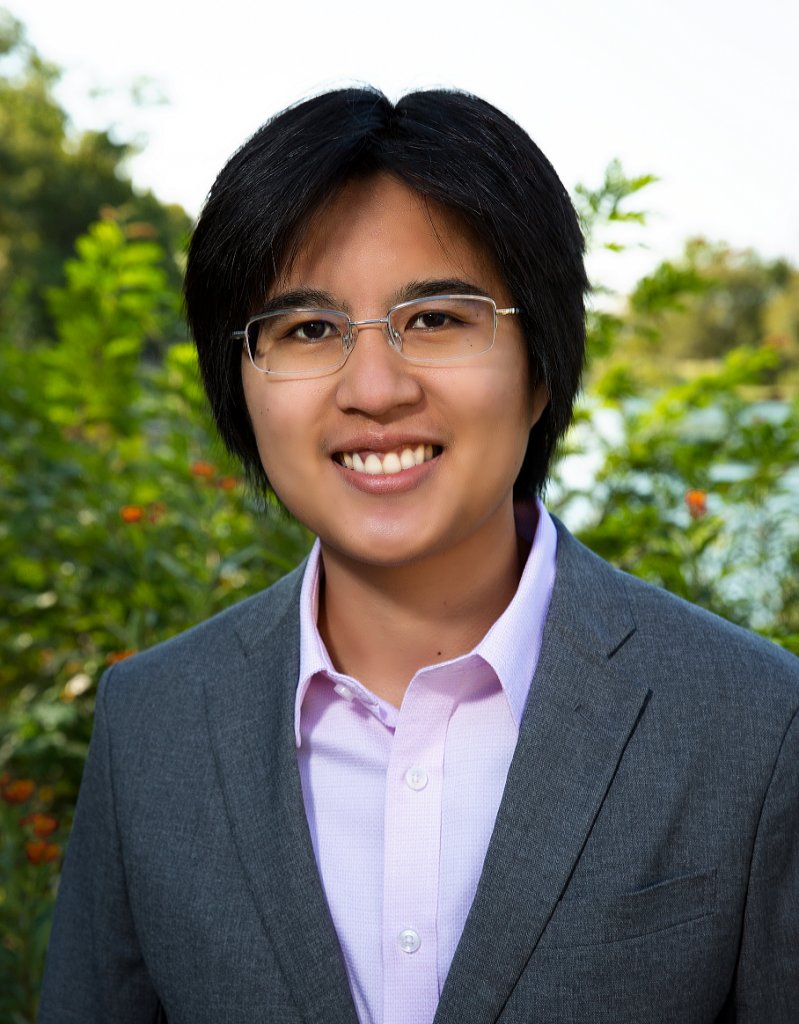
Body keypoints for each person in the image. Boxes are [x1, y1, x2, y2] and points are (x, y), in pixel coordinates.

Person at [39, 87, 799, 1024]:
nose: (375, 389)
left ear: (541, 366)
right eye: (307, 330)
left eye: (436, 318)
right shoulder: (151, 725)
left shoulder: (755, 723)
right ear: (236, 383)